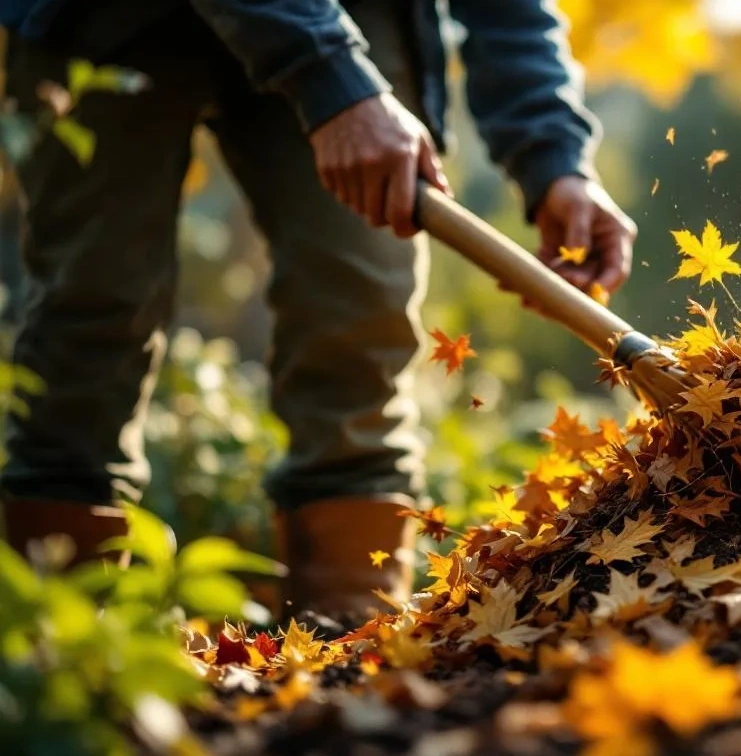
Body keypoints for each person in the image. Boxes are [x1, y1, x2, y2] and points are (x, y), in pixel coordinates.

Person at [0, 0, 636, 617]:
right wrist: (332, 77)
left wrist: (557, 159)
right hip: (96, 17)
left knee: (359, 316)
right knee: (88, 313)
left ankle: (347, 627)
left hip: (355, 13)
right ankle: (60, 630)